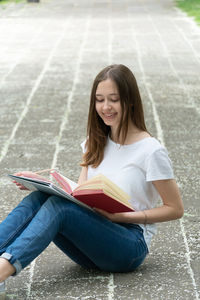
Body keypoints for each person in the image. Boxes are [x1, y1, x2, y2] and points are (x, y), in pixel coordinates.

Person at [0, 64, 184, 299]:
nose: (105, 107)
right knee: (41, 197)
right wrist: (42, 184)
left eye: (113, 99)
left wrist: (124, 217)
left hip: (129, 244)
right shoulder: (94, 141)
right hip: (92, 240)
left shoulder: (151, 151)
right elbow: (79, 195)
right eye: (99, 100)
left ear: (130, 101)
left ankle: (1, 272)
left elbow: (175, 209)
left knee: (59, 209)